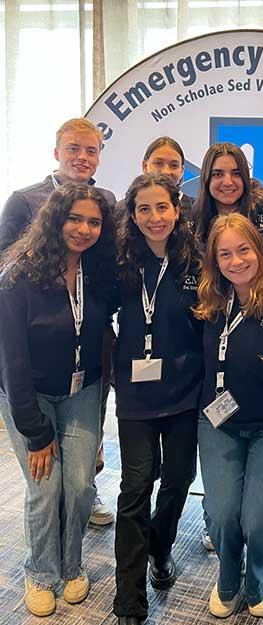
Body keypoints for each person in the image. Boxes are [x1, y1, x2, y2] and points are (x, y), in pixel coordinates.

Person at [0, 183, 115, 617]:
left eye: (94, 222)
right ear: (54, 219)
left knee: (80, 484)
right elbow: (11, 364)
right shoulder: (17, 276)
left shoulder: (98, 272)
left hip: (82, 391)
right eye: (75, 219)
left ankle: (72, 565)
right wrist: (34, 431)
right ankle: (40, 572)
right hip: (28, 396)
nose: (84, 229)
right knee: (46, 489)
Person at [0, 117, 117, 526]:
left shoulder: (106, 200)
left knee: (85, 444)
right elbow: (5, 274)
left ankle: (88, 491)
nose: (82, 158)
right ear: (56, 152)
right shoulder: (23, 200)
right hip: (37, 350)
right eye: (73, 149)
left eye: (90, 150)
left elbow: (107, 273)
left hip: (89, 349)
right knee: (45, 475)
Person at [194, 213, 263, 618]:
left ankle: (259, 576)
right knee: (222, 515)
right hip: (218, 423)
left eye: (243, 250)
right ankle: (228, 576)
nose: (236, 261)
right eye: (225, 254)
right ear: (214, 260)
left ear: (259, 248)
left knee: (255, 520)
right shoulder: (210, 300)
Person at [113, 173, 203, 625]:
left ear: (176, 209)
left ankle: (160, 548)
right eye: (143, 209)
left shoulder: (196, 260)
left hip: (185, 393)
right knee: (135, 488)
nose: (154, 217)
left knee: (178, 479)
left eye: (161, 208)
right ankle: (129, 597)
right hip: (135, 397)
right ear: (132, 215)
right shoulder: (120, 261)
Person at [193, 142, 263, 266]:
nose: (227, 182)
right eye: (218, 174)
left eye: (236, 173)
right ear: (206, 179)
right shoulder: (194, 215)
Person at [116, 136, 194, 228]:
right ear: (145, 166)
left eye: (174, 165)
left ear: (182, 171)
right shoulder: (123, 208)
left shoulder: (195, 208)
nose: (166, 171)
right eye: (158, 163)